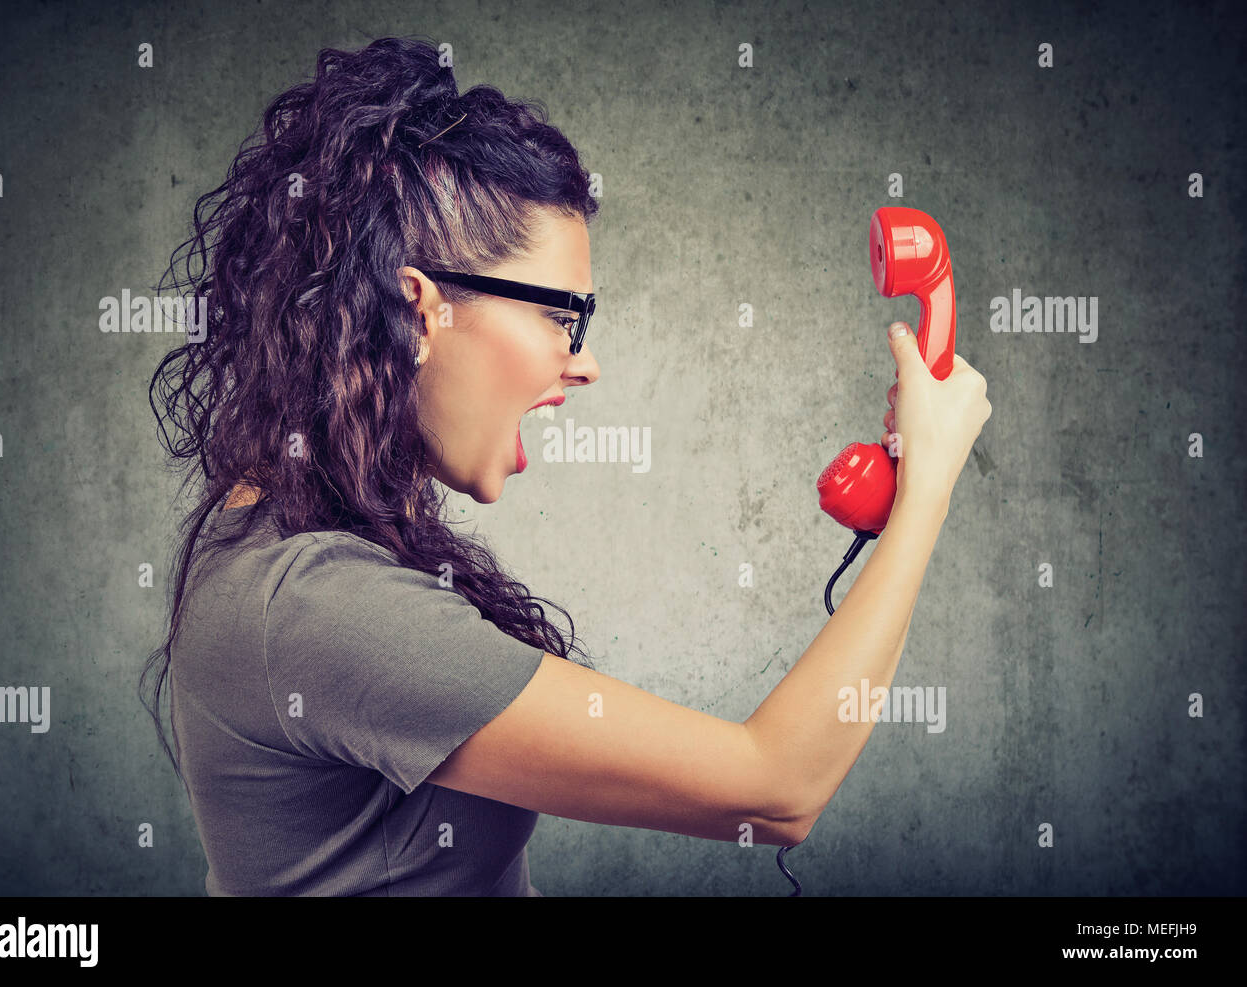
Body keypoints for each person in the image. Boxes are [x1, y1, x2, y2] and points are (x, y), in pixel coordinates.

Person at [141, 36, 991, 897]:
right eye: (562, 316)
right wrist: (926, 487)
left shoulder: (288, 529)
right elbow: (776, 786)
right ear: (419, 310)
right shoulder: (317, 605)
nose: (582, 364)